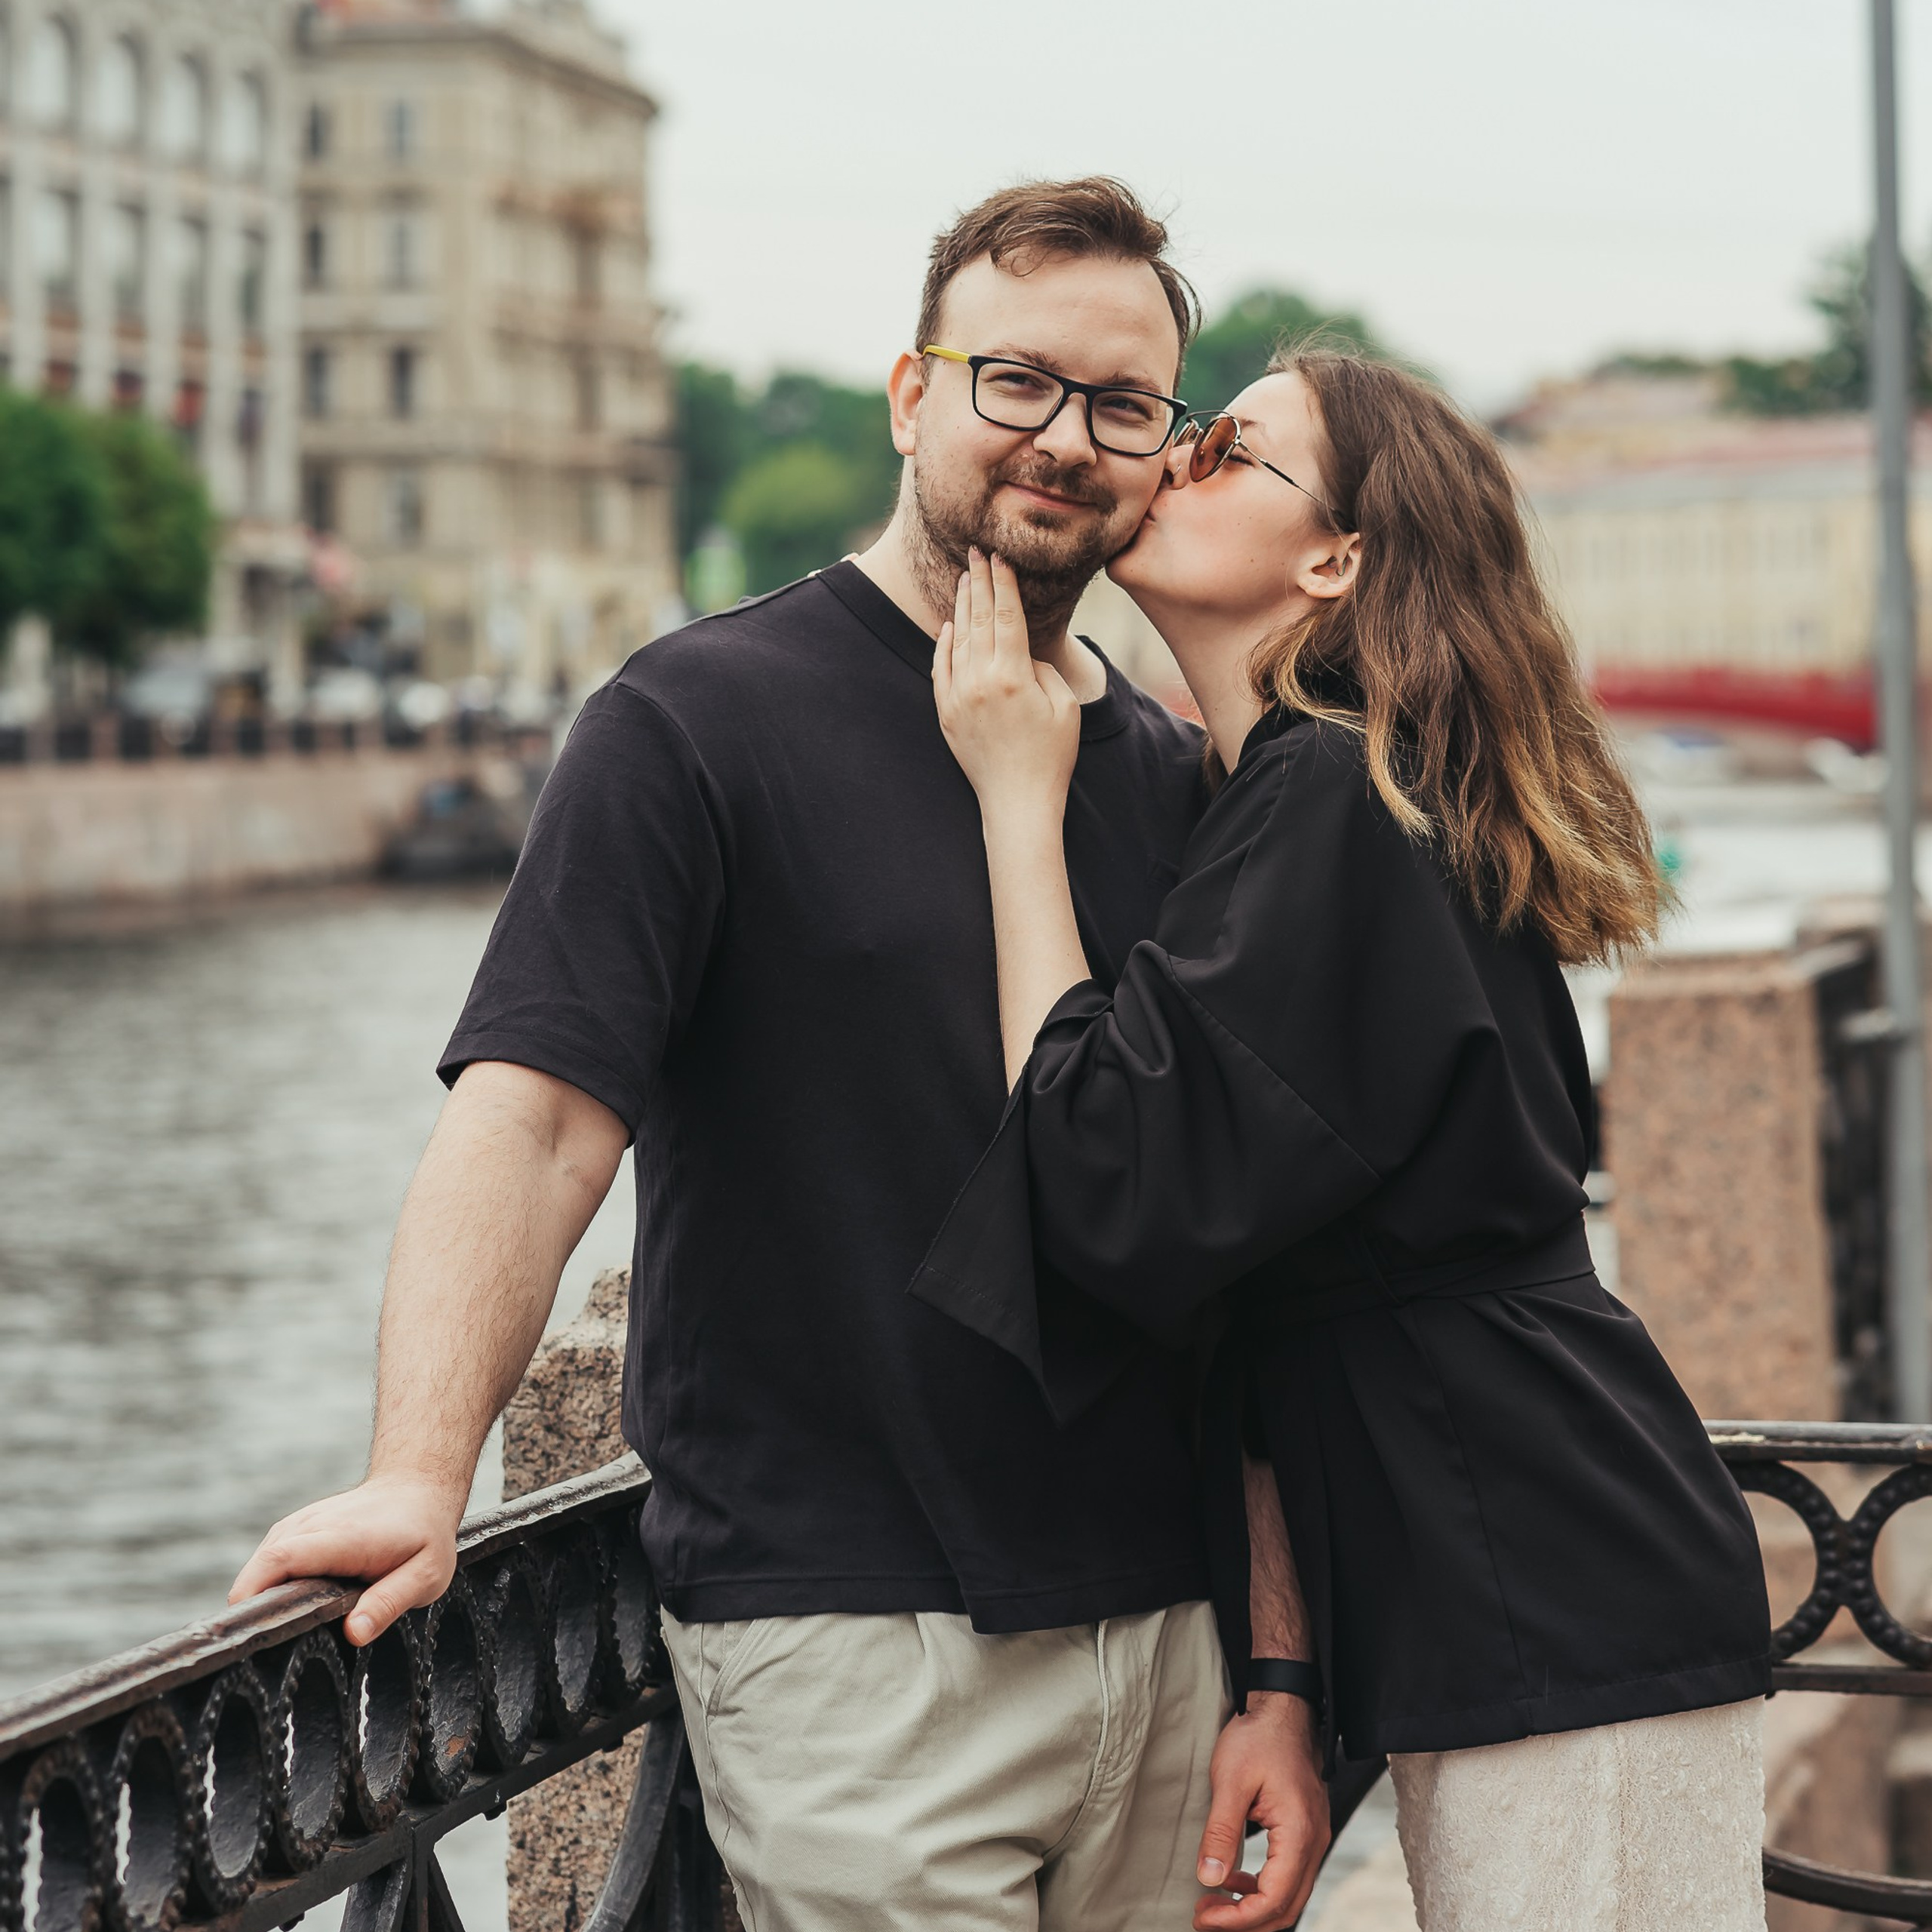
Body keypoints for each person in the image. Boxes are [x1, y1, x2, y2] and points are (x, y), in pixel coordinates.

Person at [229, 179, 1332, 1931]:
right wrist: (421, 1466)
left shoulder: (1167, 769)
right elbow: (534, 1124)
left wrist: (1272, 1666)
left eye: (1126, 406)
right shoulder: (691, 721)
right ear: (912, 393)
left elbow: (1241, 1270)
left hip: (1171, 1649)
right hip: (852, 1645)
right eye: (1017, 382)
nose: (1067, 440)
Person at [919, 346, 1774, 1932]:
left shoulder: (1331, 797)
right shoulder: (1314, 794)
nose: (1170, 460)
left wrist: (1013, 803)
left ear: (1333, 559)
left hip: (1549, 1597)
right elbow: (1261, 1287)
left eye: (1226, 449)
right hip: (1513, 1584)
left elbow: (1100, 1174)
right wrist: (1286, 1684)